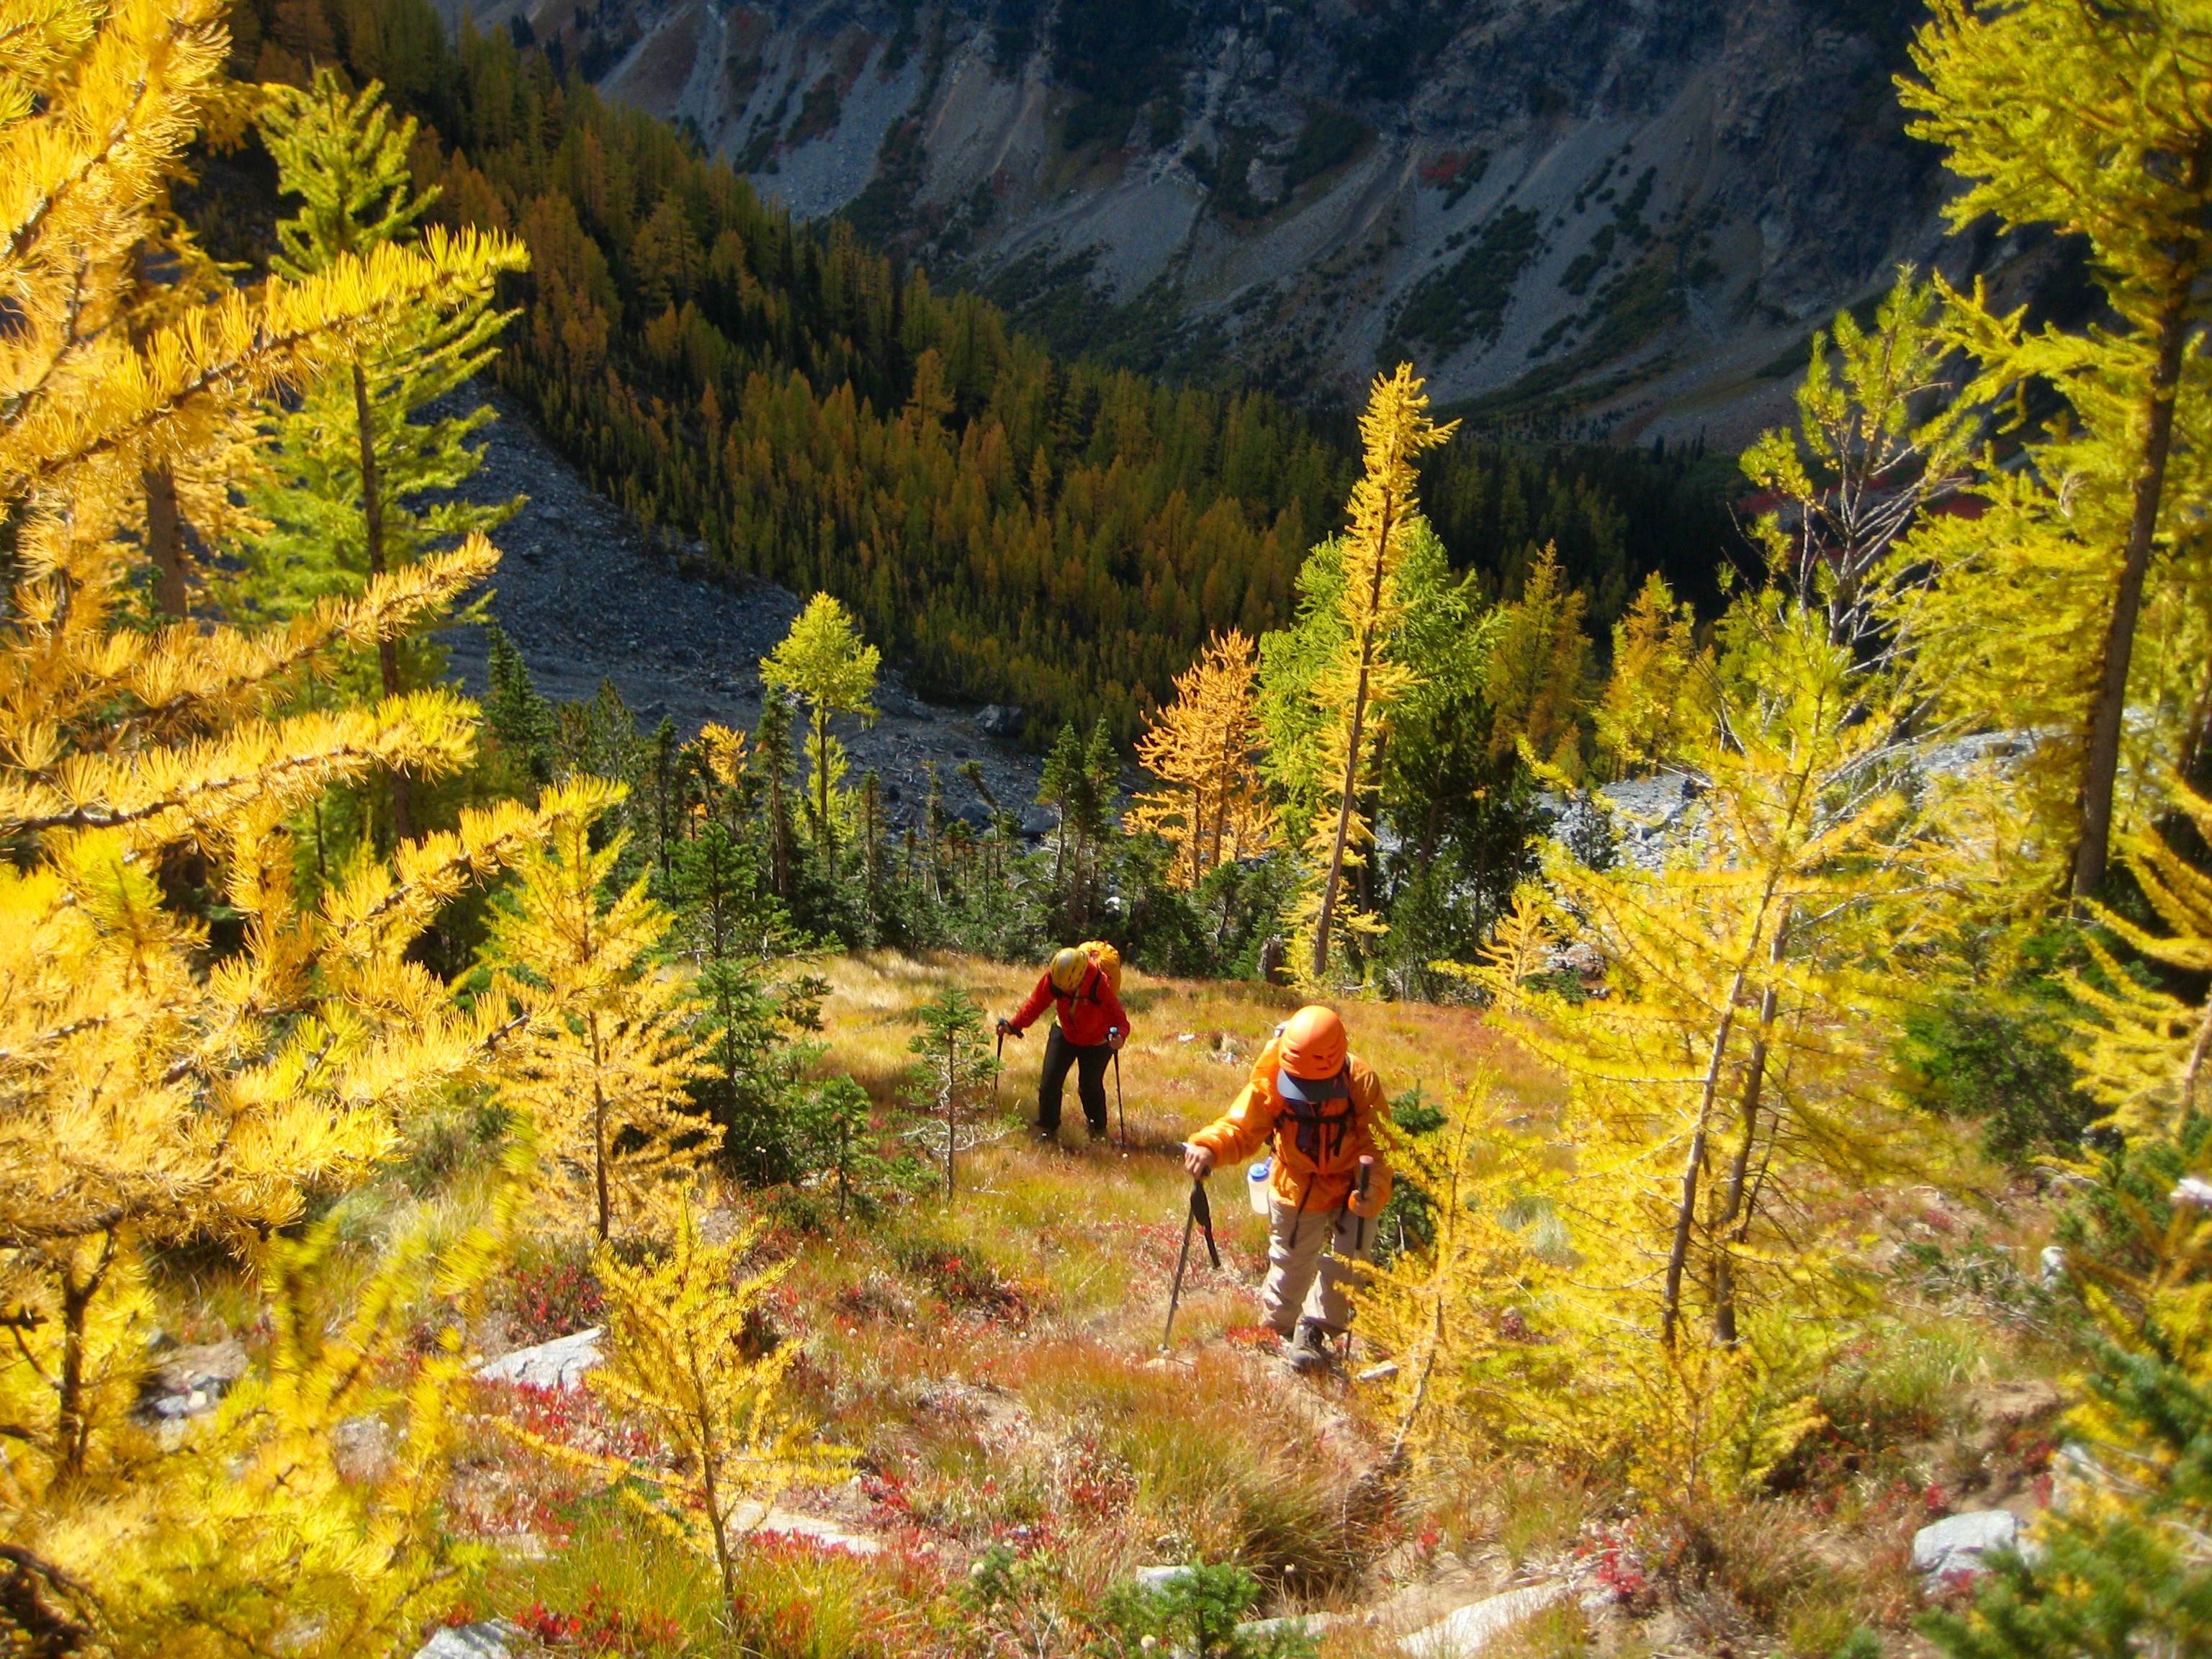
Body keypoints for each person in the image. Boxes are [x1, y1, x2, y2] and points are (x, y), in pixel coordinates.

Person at [1182, 1005, 1390, 1372]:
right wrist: (1208, 1146)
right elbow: (1242, 1127)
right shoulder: (1272, 1073)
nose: (1307, 1095)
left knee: (1349, 1262)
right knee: (1290, 1261)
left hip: (1350, 1184)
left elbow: (1381, 1146)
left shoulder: (1360, 1080)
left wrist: (1372, 1187)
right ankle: (1274, 1334)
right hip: (1296, 1179)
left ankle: (1315, 1331)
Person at [999, 945, 1129, 1143]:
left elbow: (1119, 1018)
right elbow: (1036, 1003)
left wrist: (1119, 1036)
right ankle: (1048, 1130)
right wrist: (1014, 1025)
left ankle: (1098, 1130)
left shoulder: (1099, 983)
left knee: (1089, 1087)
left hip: (1097, 1041)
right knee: (1049, 1083)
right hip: (1065, 1033)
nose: (1063, 991)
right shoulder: (1055, 977)